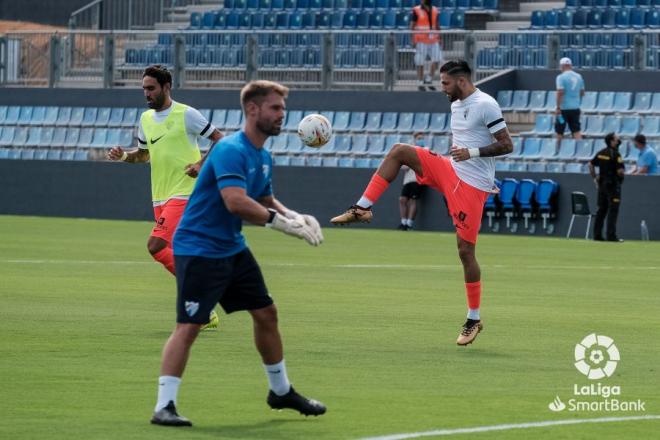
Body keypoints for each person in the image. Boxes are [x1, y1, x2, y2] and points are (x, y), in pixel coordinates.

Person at [150, 80, 326, 427]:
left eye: (282, 109)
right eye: (275, 108)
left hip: (230, 247)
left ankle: (280, 391)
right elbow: (235, 202)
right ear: (252, 109)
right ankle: (164, 405)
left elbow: (262, 199)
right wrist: (281, 224)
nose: (281, 116)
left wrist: (295, 215)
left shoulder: (262, 155)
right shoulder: (230, 148)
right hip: (199, 248)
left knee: (266, 313)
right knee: (189, 326)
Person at [331, 60, 513, 346]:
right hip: (449, 169)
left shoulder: (486, 104)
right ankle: (362, 208)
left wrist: (472, 152)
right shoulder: (456, 103)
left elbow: (506, 144)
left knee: (465, 252)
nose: (442, 88)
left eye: (445, 83)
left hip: (471, 186)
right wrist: (459, 156)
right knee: (399, 151)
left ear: (462, 82)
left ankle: (474, 319)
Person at [107, 65, 224, 329]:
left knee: (155, 246)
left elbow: (221, 140)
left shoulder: (186, 114)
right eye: (144, 89)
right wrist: (124, 156)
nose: (147, 93)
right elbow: (143, 154)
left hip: (185, 192)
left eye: (151, 88)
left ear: (166, 87)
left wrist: (202, 165)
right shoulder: (146, 119)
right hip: (159, 196)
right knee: (173, 251)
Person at [589, 132, 625, 242]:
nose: (618, 140)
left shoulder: (601, 153)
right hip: (613, 185)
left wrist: (595, 178)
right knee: (613, 210)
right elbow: (620, 171)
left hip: (602, 185)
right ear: (611, 141)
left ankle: (597, 235)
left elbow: (590, 164)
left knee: (601, 210)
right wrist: (621, 176)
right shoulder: (616, 154)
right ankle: (611, 236)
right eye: (616, 139)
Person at [410, 0, 442, 92]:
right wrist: (413, 39)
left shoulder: (435, 10)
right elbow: (412, 26)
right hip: (421, 40)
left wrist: (440, 38)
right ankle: (420, 82)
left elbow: (437, 25)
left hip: (433, 39)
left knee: (437, 59)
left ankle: (428, 79)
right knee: (420, 62)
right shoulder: (416, 10)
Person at [398, 132, 428, 230]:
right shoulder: (410, 150)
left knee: (413, 200)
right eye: (419, 138)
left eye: (422, 138)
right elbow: (404, 166)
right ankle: (403, 223)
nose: (420, 140)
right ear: (415, 140)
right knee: (402, 200)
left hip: (418, 179)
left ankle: (409, 224)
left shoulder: (426, 150)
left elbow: (425, 163)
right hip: (408, 180)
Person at [555, 57, 585, 149]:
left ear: (562, 66)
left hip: (563, 109)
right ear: (570, 65)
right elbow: (582, 92)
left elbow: (560, 92)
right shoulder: (579, 76)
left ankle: (557, 151)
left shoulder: (561, 77)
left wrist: (558, 107)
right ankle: (581, 151)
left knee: (560, 131)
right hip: (575, 108)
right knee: (576, 130)